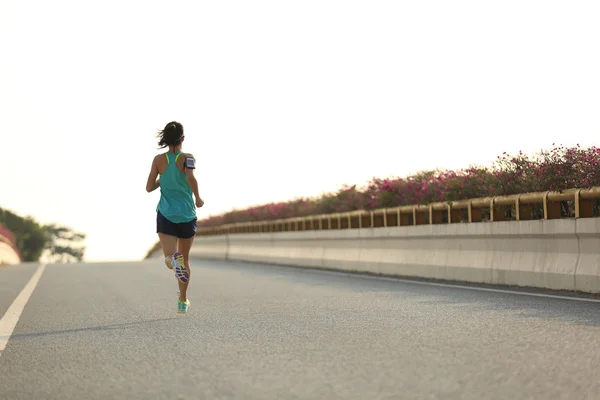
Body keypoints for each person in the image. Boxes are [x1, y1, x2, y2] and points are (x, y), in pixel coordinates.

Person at [146, 121, 204, 314]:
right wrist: (198, 198)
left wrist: (163, 177)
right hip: (187, 215)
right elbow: (191, 177)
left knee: (170, 258)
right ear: (183, 139)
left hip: (166, 215)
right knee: (185, 259)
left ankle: (172, 262)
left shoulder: (158, 160)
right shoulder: (188, 158)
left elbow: (148, 187)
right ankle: (182, 301)